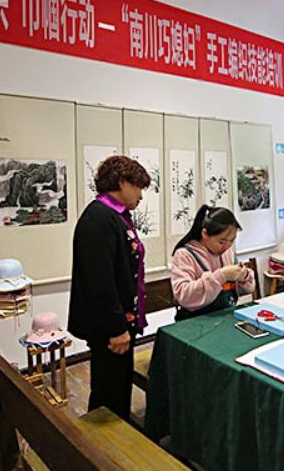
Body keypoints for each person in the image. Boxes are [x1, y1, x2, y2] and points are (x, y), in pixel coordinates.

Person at [67, 155, 151, 421]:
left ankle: (116, 433)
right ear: (122, 182)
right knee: (109, 392)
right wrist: (117, 328)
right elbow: (99, 280)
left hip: (120, 321)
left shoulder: (115, 215)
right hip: (110, 327)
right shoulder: (99, 218)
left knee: (118, 386)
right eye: (138, 187)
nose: (140, 195)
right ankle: (101, 442)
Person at [171, 205, 255, 320]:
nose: (227, 246)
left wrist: (244, 276)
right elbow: (184, 296)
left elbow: (246, 289)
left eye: (232, 240)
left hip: (225, 318)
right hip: (194, 322)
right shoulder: (185, 255)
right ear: (205, 234)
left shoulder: (227, 254)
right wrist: (221, 275)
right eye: (221, 241)